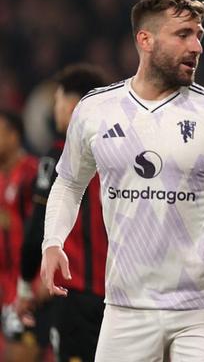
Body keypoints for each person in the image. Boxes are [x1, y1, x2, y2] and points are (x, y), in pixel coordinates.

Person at [40, 0, 204, 361]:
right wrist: (52, 241)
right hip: (126, 308)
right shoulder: (96, 110)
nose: (196, 46)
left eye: (198, 35)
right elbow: (70, 182)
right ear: (145, 40)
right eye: (183, 34)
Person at [18, 64, 108, 362]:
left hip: (74, 292)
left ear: (71, 106)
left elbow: (37, 225)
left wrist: (25, 284)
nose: (54, 109)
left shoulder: (57, 155)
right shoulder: (120, 152)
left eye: (57, 101)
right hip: (120, 295)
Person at [0, 110, 39, 361]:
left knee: (21, 352)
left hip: (24, 285)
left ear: (14, 136)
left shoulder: (31, 174)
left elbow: (41, 229)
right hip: (4, 284)